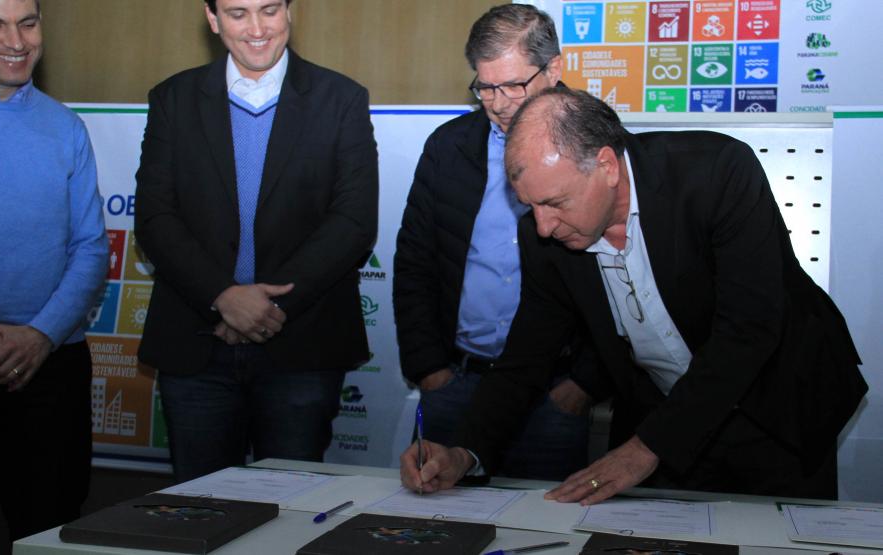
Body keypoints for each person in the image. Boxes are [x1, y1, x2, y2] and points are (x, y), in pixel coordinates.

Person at [401, 88, 866, 502]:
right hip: (660, 417)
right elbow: (527, 355)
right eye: (531, 206)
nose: (542, 226)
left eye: (555, 203)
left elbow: (748, 329)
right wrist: (464, 451)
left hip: (776, 408)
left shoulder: (716, 172)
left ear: (606, 166)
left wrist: (647, 447)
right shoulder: (546, 239)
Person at [134, 0, 378, 482]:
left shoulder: (341, 98)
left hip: (302, 346)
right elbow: (155, 217)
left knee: (290, 505)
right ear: (213, 19)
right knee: (201, 508)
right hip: (197, 344)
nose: (256, 28)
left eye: (268, 10)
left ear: (289, 11)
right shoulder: (173, 99)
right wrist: (223, 297)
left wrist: (267, 308)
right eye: (238, 13)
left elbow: (353, 222)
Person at [393, 3, 593, 481]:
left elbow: (618, 273)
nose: (498, 102)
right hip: (457, 382)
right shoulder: (448, 147)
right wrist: (431, 371)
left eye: (513, 85)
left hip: (554, 393)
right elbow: (414, 262)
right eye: (485, 87)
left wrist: (584, 383)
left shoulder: (595, 143)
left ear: (553, 69)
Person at [0, 0, 109, 549]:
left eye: (27, 23)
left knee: (50, 530)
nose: (16, 40)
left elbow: (90, 248)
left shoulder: (64, 126)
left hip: (51, 362)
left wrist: (42, 334)